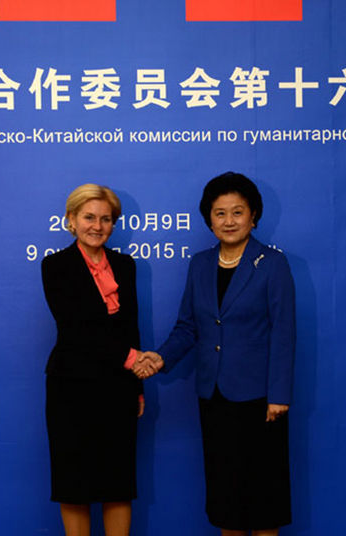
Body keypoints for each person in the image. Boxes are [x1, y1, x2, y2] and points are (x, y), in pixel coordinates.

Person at [138, 172, 296, 536]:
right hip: (214, 397)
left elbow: (284, 332)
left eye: (237, 212)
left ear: (253, 216)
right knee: (226, 498)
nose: (229, 221)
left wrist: (279, 395)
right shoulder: (200, 264)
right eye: (220, 213)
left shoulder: (273, 264)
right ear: (209, 220)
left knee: (264, 499)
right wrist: (161, 358)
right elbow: (188, 326)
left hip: (261, 399)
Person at [41, 183, 148, 536]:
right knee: (74, 485)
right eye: (89, 217)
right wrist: (133, 359)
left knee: (118, 484)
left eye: (105, 219)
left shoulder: (126, 266)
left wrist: (137, 387)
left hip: (118, 388)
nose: (97, 226)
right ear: (71, 220)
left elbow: (131, 328)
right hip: (71, 389)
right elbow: (76, 329)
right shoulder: (55, 266)